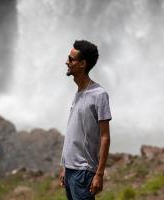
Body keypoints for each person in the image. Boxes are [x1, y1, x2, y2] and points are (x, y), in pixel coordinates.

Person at [60, 40, 112, 200]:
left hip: (83, 173)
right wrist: (65, 167)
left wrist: (99, 174)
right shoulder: (79, 92)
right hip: (70, 171)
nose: (66, 62)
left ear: (82, 64)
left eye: (71, 59)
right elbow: (74, 132)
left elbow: (105, 136)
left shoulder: (99, 94)